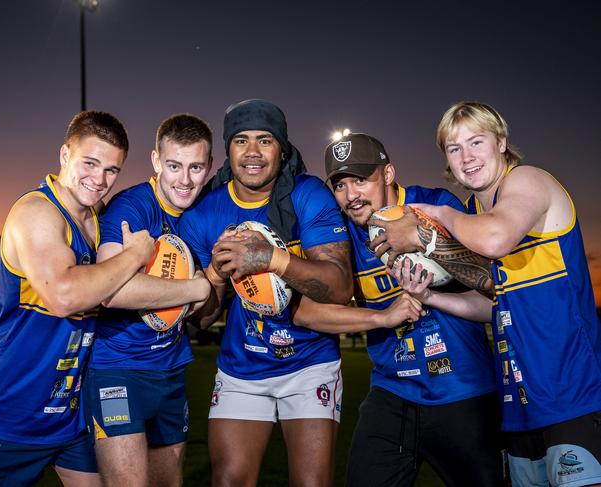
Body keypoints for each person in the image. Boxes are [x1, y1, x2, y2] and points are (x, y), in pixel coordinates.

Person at [389, 101, 601, 487]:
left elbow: (496, 237)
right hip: (519, 406)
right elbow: (495, 303)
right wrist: (430, 297)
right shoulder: (474, 211)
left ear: (501, 143)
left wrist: (440, 217)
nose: (466, 157)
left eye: (476, 142)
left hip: (573, 396)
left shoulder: (526, 181)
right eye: (454, 149)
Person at [0, 111, 155, 486]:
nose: (100, 179)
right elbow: (64, 295)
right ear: (65, 155)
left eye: (112, 170)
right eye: (90, 163)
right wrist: (133, 256)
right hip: (6, 414)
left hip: (68, 417)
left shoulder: (98, 223)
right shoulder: (35, 213)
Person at [294, 132, 505, 486]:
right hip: (392, 392)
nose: (351, 196)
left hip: (464, 388)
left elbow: (491, 280)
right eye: (341, 185)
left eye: (361, 180)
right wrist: (382, 317)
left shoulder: (434, 204)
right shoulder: (341, 234)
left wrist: (426, 240)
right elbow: (305, 313)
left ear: (388, 174)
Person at [179, 99, 354, 487]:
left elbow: (340, 287)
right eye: (241, 141)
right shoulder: (206, 211)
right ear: (228, 149)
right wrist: (217, 276)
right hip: (244, 365)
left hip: (309, 362)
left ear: (283, 148)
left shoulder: (308, 194)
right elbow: (203, 318)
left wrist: (271, 259)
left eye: (265, 140)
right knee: (228, 481)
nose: (253, 153)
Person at [83, 114, 213, 487]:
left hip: (171, 368)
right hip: (118, 368)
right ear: (156, 162)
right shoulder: (132, 208)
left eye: (195, 167)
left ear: (208, 168)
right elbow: (109, 291)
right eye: (174, 166)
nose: (184, 180)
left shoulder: (198, 215)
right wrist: (196, 289)